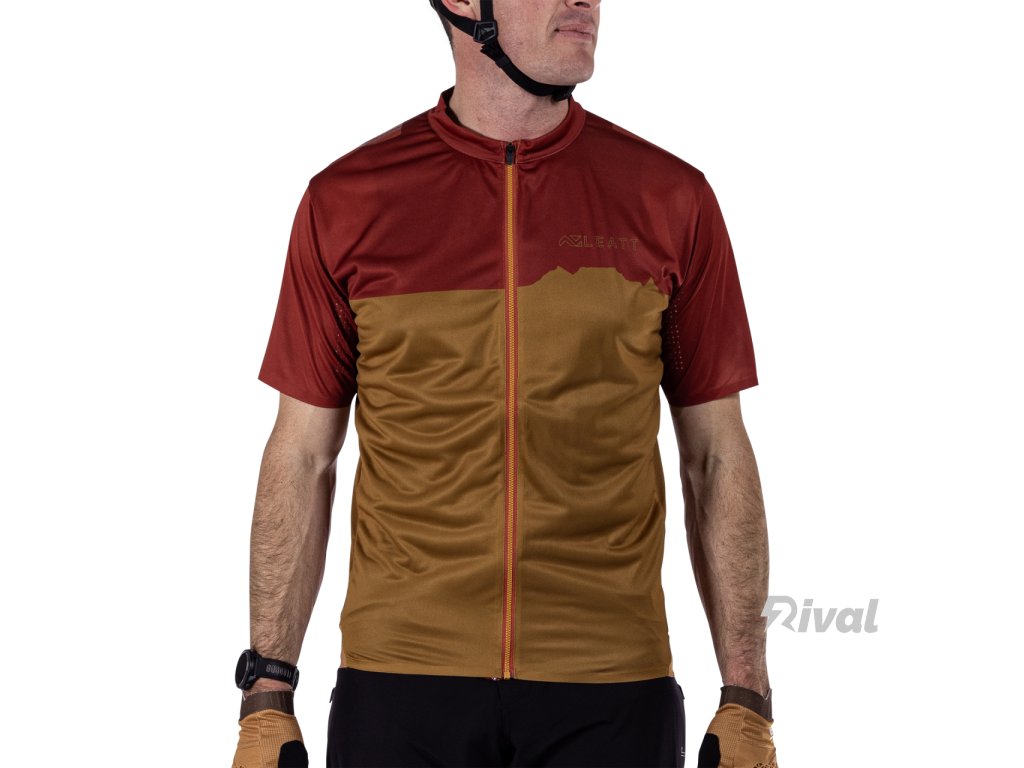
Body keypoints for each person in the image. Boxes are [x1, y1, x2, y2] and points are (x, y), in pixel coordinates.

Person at [231, 1, 779, 766]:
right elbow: (301, 456)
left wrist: (747, 693)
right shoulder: (347, 201)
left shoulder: (670, 198)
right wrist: (267, 693)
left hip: (611, 685)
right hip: (400, 681)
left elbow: (716, 455)